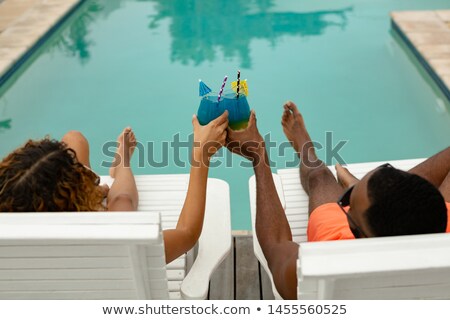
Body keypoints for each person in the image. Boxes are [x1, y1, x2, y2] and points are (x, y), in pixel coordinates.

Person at [226, 101, 450, 299]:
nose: (345, 204)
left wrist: (259, 156)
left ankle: (307, 149)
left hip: (343, 252)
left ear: (358, 234)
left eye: (348, 204)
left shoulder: (323, 266)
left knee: (320, 177)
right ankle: (354, 182)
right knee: (398, 193)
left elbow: (275, 245)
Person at [0, 111, 228, 264]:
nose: (96, 181)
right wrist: (201, 155)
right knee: (122, 203)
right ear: (74, 204)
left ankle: (115, 169)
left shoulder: (14, 240)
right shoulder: (109, 243)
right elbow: (186, 234)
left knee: (74, 139)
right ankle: (122, 164)